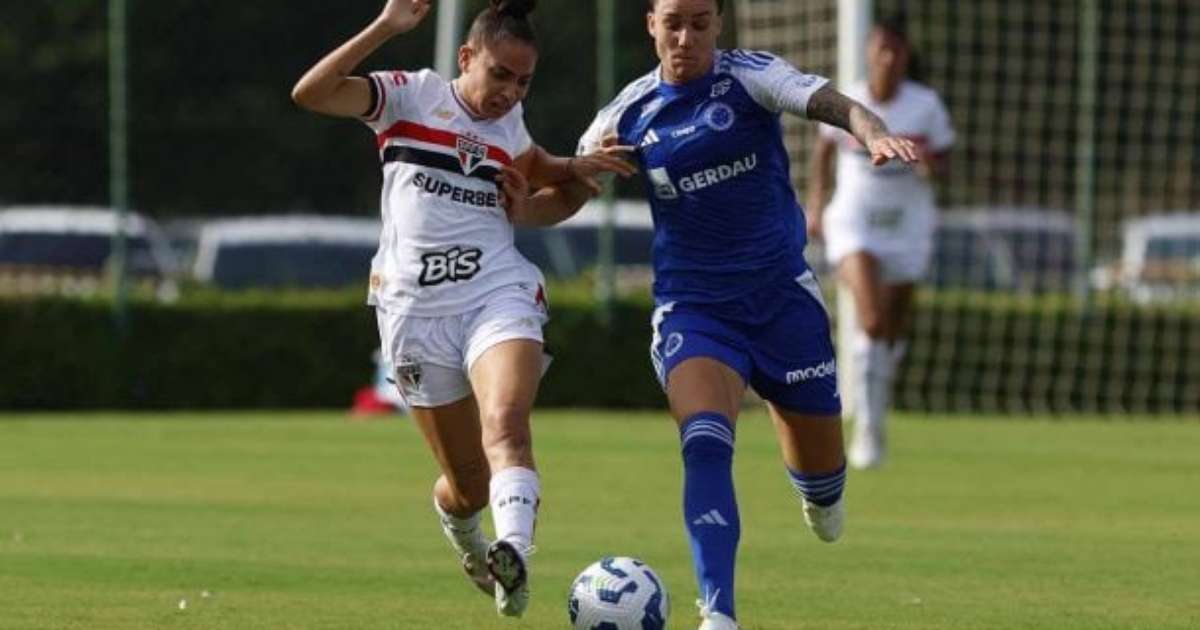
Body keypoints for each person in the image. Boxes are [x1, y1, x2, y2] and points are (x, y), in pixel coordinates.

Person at [571, 1, 919, 628]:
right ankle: (719, 614)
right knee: (705, 443)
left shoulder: (751, 76)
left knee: (826, 491)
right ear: (650, 22)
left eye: (700, 22)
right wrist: (537, 188)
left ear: (719, 23)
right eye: (673, 22)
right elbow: (569, 183)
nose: (685, 37)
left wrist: (870, 133)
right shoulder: (626, 114)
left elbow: (834, 104)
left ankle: (819, 493)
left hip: (783, 304)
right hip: (695, 309)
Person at [291, 0, 634, 618]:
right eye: (500, 74)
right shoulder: (411, 96)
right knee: (466, 487)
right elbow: (310, 94)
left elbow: (548, 186)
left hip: (495, 293)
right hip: (412, 313)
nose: (509, 92)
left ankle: (516, 551)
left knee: (505, 421)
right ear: (466, 57)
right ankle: (471, 538)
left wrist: (582, 175)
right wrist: (387, 27)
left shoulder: (512, 127)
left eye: (523, 81)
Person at [807, 17, 955, 470]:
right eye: (880, 49)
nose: (887, 58)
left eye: (896, 50)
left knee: (891, 329)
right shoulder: (850, 102)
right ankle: (868, 428)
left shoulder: (925, 106)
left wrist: (929, 165)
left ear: (905, 56)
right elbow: (824, 151)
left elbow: (944, 162)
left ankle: (876, 388)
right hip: (855, 222)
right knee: (870, 320)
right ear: (869, 52)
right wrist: (815, 204)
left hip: (908, 224)